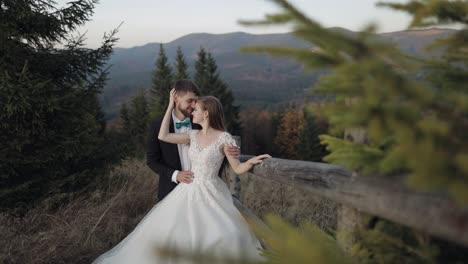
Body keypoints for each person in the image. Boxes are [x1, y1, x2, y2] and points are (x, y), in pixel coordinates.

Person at [92, 89, 271, 264]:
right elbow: (163, 135)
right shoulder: (192, 135)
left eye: (196, 110)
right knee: (175, 233)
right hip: (188, 190)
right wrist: (170, 105)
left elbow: (238, 168)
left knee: (223, 234)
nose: (192, 112)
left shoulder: (225, 138)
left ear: (206, 113)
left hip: (212, 192)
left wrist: (253, 161)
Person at [146, 79, 239, 201]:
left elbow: (217, 145)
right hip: (170, 191)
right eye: (190, 101)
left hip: (205, 194)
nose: (194, 105)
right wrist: (175, 175)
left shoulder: (200, 122)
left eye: (196, 101)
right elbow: (152, 160)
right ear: (176, 99)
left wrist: (232, 151)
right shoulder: (157, 126)